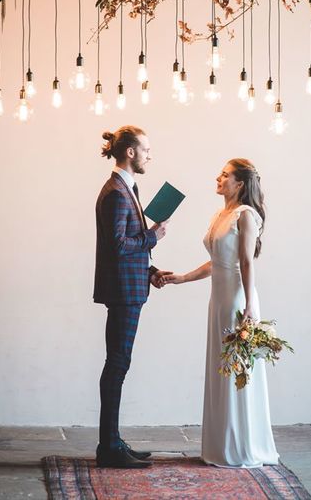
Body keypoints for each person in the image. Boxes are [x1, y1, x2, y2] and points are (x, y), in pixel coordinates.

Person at [162, 158, 279, 468]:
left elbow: (246, 262)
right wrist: (183, 278)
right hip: (218, 300)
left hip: (238, 300)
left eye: (225, 175)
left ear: (239, 183)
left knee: (238, 370)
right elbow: (218, 262)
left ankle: (242, 447)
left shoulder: (246, 216)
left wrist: (250, 306)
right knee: (220, 368)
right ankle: (219, 445)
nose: (218, 177)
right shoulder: (219, 215)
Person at [93, 126, 171, 469]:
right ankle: (108, 447)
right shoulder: (115, 192)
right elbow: (119, 246)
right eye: (146, 149)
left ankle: (113, 441)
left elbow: (126, 247)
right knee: (117, 365)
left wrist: (151, 271)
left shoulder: (127, 188)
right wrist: (153, 237)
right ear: (130, 152)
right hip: (123, 293)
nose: (149, 155)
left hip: (132, 287)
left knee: (119, 364)